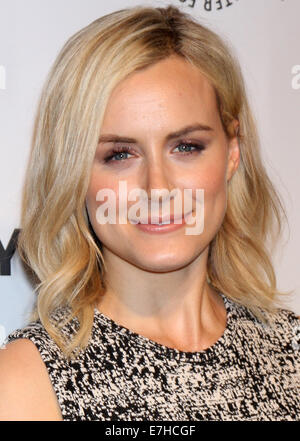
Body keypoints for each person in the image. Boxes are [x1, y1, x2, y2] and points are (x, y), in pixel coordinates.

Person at [0, 4, 299, 421]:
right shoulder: (26, 384)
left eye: (186, 147)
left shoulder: (291, 347)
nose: (157, 188)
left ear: (233, 152)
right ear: (74, 173)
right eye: (119, 154)